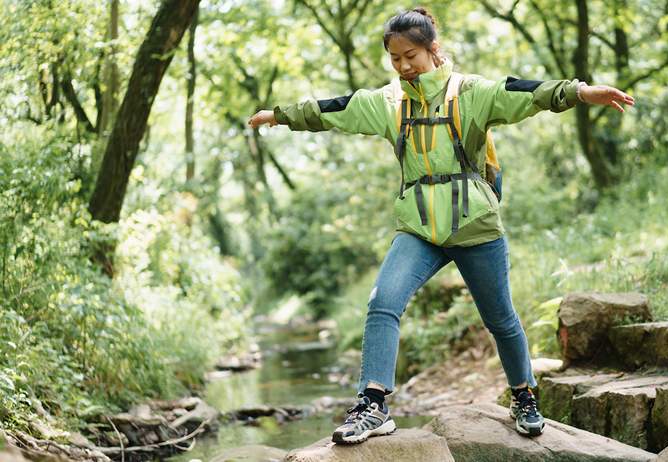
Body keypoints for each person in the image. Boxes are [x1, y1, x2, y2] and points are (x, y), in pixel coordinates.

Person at [249, 7, 634, 445]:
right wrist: (278, 116)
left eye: (410, 55)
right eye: (395, 59)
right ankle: (372, 405)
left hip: (474, 225)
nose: (403, 67)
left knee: (500, 319)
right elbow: (334, 108)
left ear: (433, 49)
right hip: (418, 229)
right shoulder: (389, 102)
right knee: (382, 303)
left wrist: (582, 92)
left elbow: (527, 92)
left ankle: (524, 396)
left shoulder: (471, 93)